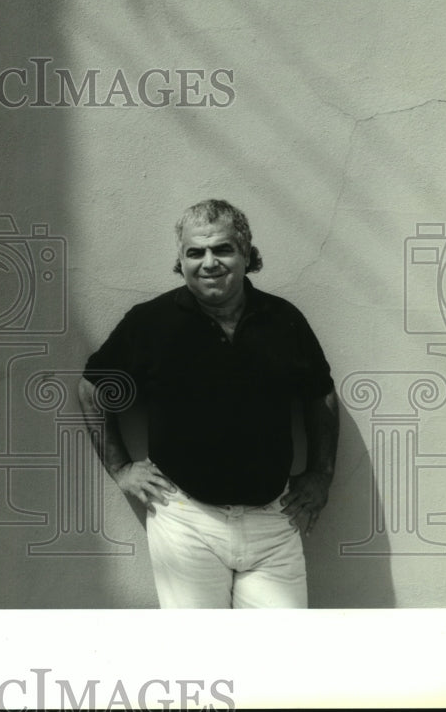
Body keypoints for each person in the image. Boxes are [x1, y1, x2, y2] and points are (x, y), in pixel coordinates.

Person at [78, 199, 338, 608]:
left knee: (284, 658)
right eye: (195, 252)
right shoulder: (151, 323)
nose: (209, 262)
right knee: (198, 658)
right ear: (180, 260)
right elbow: (94, 389)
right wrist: (121, 468)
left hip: (274, 519)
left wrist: (321, 473)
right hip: (186, 520)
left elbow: (319, 394)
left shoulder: (283, 319)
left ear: (247, 254)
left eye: (223, 249)